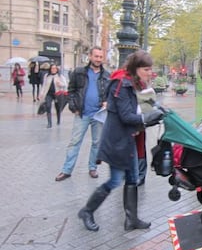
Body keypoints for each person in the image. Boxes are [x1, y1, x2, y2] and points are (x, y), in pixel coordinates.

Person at [78, 49, 164, 232]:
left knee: (132, 178)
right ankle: (87, 211)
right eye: (146, 69)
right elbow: (126, 116)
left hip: (127, 140)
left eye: (150, 69)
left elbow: (140, 108)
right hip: (116, 141)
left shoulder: (132, 83)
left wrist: (154, 111)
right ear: (136, 68)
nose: (150, 73)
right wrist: (147, 118)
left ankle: (131, 219)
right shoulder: (122, 84)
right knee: (115, 180)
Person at [55, 46, 111, 182]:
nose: (98, 59)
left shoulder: (106, 75)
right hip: (82, 113)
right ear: (90, 56)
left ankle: (93, 168)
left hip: (98, 114)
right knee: (75, 142)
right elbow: (71, 90)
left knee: (97, 143)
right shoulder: (79, 72)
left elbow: (109, 93)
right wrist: (73, 106)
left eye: (100, 57)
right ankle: (66, 170)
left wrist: (106, 102)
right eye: (96, 56)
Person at [39, 64, 67, 128]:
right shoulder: (47, 76)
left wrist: (60, 84)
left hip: (57, 94)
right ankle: (49, 123)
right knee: (48, 106)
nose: (53, 70)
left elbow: (65, 85)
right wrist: (41, 93)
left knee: (58, 108)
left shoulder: (60, 76)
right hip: (49, 94)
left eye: (55, 68)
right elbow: (44, 85)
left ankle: (58, 119)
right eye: (52, 68)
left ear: (57, 69)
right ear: (50, 69)